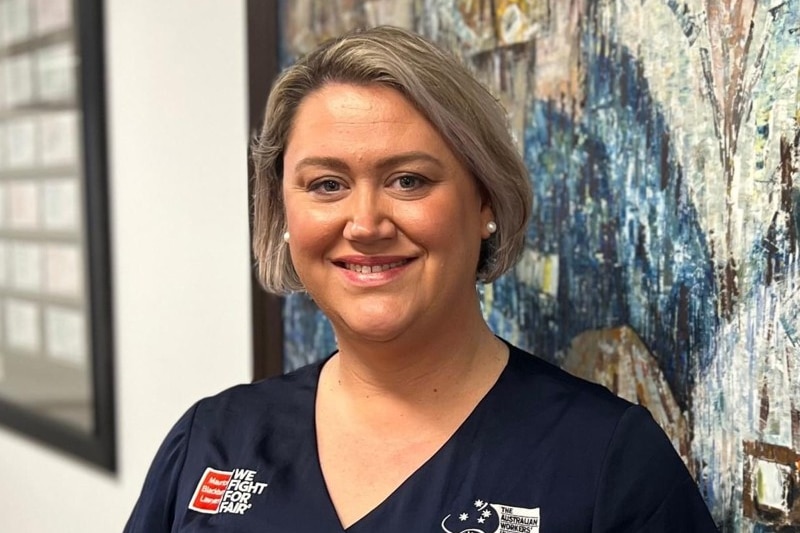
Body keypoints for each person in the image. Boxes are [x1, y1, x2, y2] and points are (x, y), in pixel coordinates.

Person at [124, 26, 718, 532]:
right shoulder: (211, 441)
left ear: (486, 200)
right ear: (282, 214)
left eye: (407, 180)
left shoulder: (607, 463)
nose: (365, 223)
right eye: (326, 184)